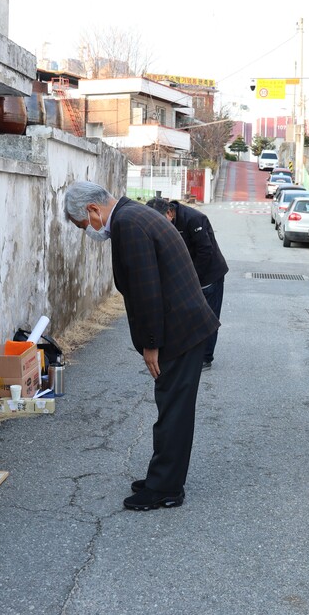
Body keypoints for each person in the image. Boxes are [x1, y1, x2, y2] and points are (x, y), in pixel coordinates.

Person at [64, 181, 219, 511]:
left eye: (83, 224)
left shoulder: (127, 224)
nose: (88, 231)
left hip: (180, 330)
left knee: (173, 411)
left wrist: (151, 345)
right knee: (171, 407)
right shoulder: (133, 214)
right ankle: (163, 478)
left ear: (93, 210)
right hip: (183, 325)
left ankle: (165, 488)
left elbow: (146, 290)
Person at [146, 198, 228, 370]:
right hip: (187, 276)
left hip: (209, 275)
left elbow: (205, 251)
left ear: (169, 212)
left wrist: (192, 279)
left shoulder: (194, 218)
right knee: (189, 316)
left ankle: (206, 357)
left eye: (160, 221)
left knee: (209, 316)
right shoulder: (167, 223)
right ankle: (187, 352)